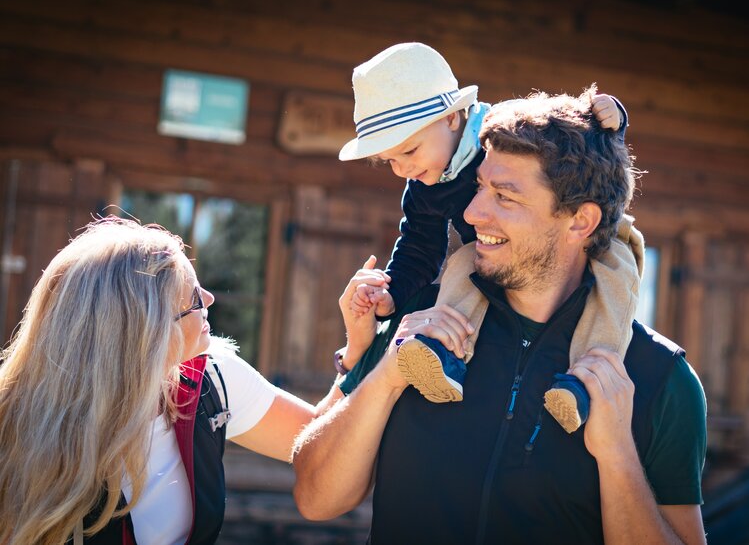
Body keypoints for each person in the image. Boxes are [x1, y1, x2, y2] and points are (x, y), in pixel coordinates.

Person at [293, 88, 707, 544]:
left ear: (580, 222)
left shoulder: (663, 379)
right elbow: (315, 499)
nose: (471, 214)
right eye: (478, 188)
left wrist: (616, 456)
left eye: (505, 197)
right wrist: (385, 375)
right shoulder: (420, 327)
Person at [339, 42, 643, 434]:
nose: (402, 169)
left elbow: (576, 138)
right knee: (462, 265)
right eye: (390, 161)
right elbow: (419, 246)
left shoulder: (504, 133)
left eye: (409, 151)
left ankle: (586, 381)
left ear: (452, 119)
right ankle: (443, 354)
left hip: (586, 224)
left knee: (617, 278)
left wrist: (612, 115)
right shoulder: (424, 187)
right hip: (495, 251)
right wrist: (392, 294)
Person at [0, 217, 344, 545]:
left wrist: (356, 355)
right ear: (147, 333)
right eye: (194, 298)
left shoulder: (213, 377)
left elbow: (321, 440)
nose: (209, 300)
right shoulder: (13, 419)